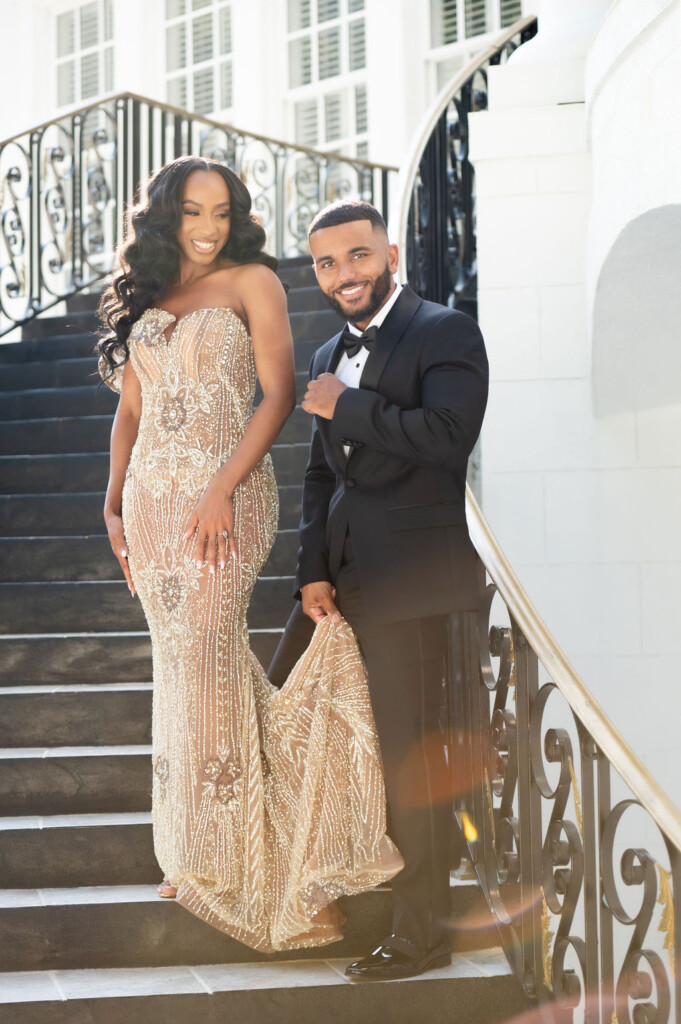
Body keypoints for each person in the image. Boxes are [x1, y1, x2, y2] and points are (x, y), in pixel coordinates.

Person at [97, 158, 402, 954]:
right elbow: (132, 406)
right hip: (152, 506)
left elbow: (277, 394)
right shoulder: (149, 295)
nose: (208, 227)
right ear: (164, 217)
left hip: (223, 500)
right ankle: (197, 853)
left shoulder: (253, 282)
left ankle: (245, 862)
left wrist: (221, 487)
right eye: (194, 212)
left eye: (222, 212)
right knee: (185, 667)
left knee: (205, 656)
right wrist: (112, 498)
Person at [268, 200, 489, 979]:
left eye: (356, 257)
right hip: (342, 580)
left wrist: (348, 403)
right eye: (326, 264)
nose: (342, 276)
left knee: (408, 763)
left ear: (388, 252)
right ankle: (334, 893)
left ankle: (421, 934)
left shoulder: (443, 329)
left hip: (414, 585)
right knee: (289, 724)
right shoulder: (329, 345)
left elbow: (447, 437)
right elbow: (321, 471)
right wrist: (310, 572)